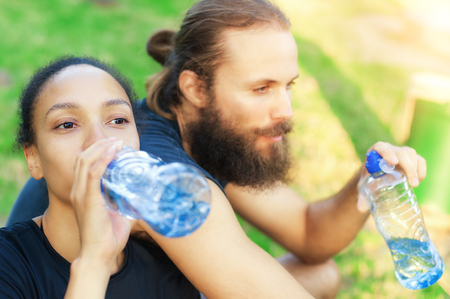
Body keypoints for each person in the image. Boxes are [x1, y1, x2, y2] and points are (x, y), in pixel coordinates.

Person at [7, 0, 427, 298]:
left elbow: (310, 234)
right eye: (261, 88)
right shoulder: (157, 175)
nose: (284, 111)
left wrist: (367, 180)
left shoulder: (206, 132)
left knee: (320, 275)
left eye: (288, 86)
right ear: (194, 88)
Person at [0, 56, 201, 298]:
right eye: (67, 124)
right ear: (33, 158)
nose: (99, 141)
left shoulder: (171, 259)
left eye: (118, 120)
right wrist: (95, 259)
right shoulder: (8, 266)